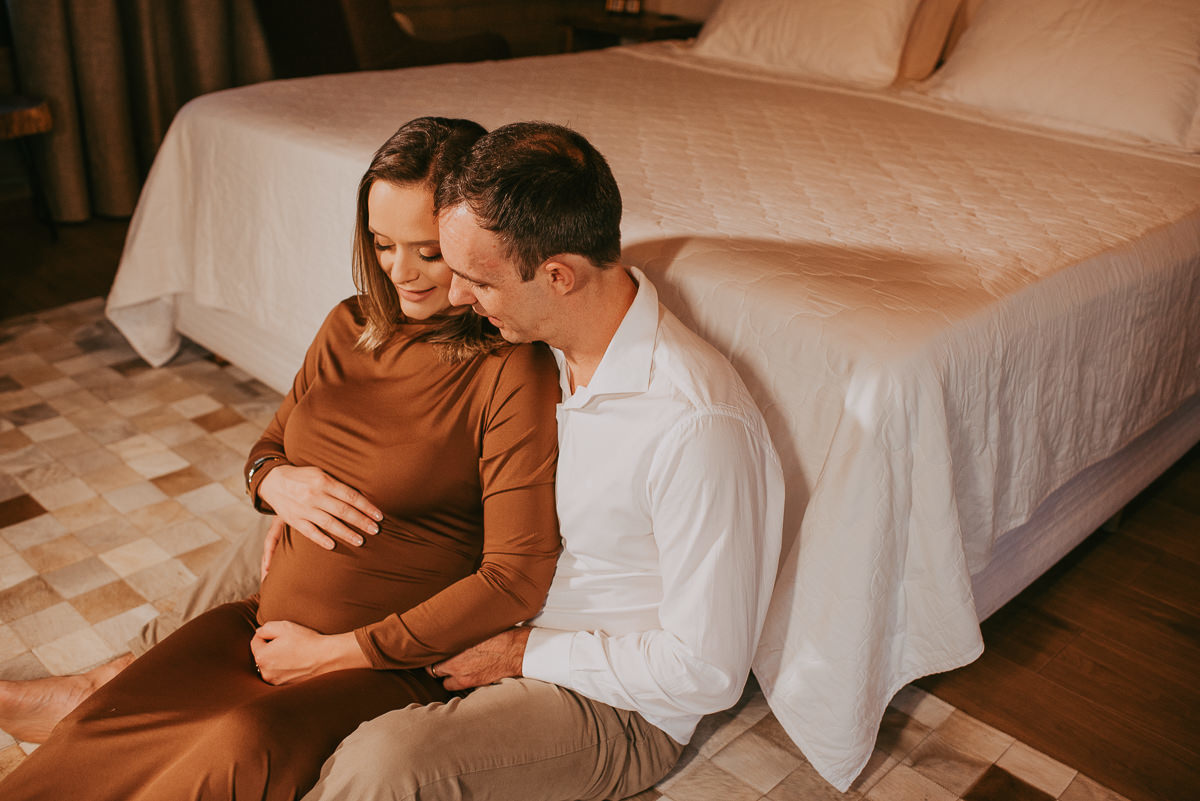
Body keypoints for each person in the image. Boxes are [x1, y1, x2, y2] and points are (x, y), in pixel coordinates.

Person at [1, 120, 784, 801]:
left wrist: (516, 647)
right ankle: (107, 694)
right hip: (508, 621)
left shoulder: (691, 423)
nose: (456, 295)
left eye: (472, 277)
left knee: (378, 763)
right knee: (244, 579)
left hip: (597, 684)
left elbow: (705, 672)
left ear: (557, 275)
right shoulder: (555, 335)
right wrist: (278, 483)